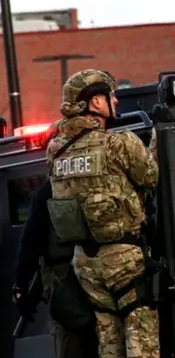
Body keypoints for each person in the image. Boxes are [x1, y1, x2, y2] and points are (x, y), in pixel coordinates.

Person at [46, 69, 160, 358]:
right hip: (124, 260)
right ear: (95, 103)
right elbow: (152, 176)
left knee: (109, 342)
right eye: (110, 96)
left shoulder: (56, 150)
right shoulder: (118, 144)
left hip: (85, 263)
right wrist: (159, 137)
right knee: (141, 342)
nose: (116, 100)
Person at [12, 120, 100, 358]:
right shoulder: (98, 180)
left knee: (70, 345)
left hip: (65, 282)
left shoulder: (49, 190)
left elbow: (30, 242)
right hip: (102, 278)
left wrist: (21, 285)